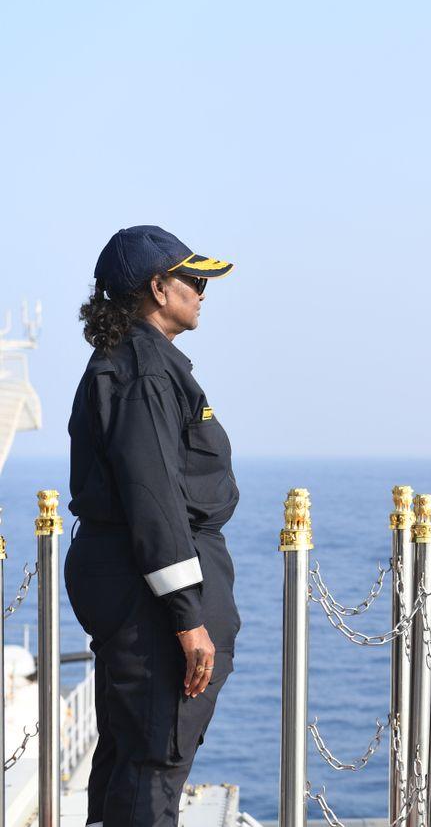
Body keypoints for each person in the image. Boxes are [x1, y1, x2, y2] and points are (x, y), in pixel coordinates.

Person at [66, 225, 240, 827]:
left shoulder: (134, 363)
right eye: (193, 280)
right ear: (158, 288)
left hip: (129, 583)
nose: (202, 291)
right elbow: (154, 498)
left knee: (127, 753)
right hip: (150, 598)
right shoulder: (144, 372)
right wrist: (188, 619)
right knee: (153, 760)